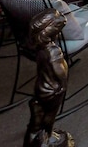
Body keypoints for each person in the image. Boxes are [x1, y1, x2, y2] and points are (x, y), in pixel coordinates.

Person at [24, 8, 73, 147]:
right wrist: (63, 85)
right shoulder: (53, 51)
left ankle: (36, 135)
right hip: (53, 90)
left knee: (41, 112)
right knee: (50, 115)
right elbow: (60, 72)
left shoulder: (41, 50)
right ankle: (46, 137)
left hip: (42, 88)